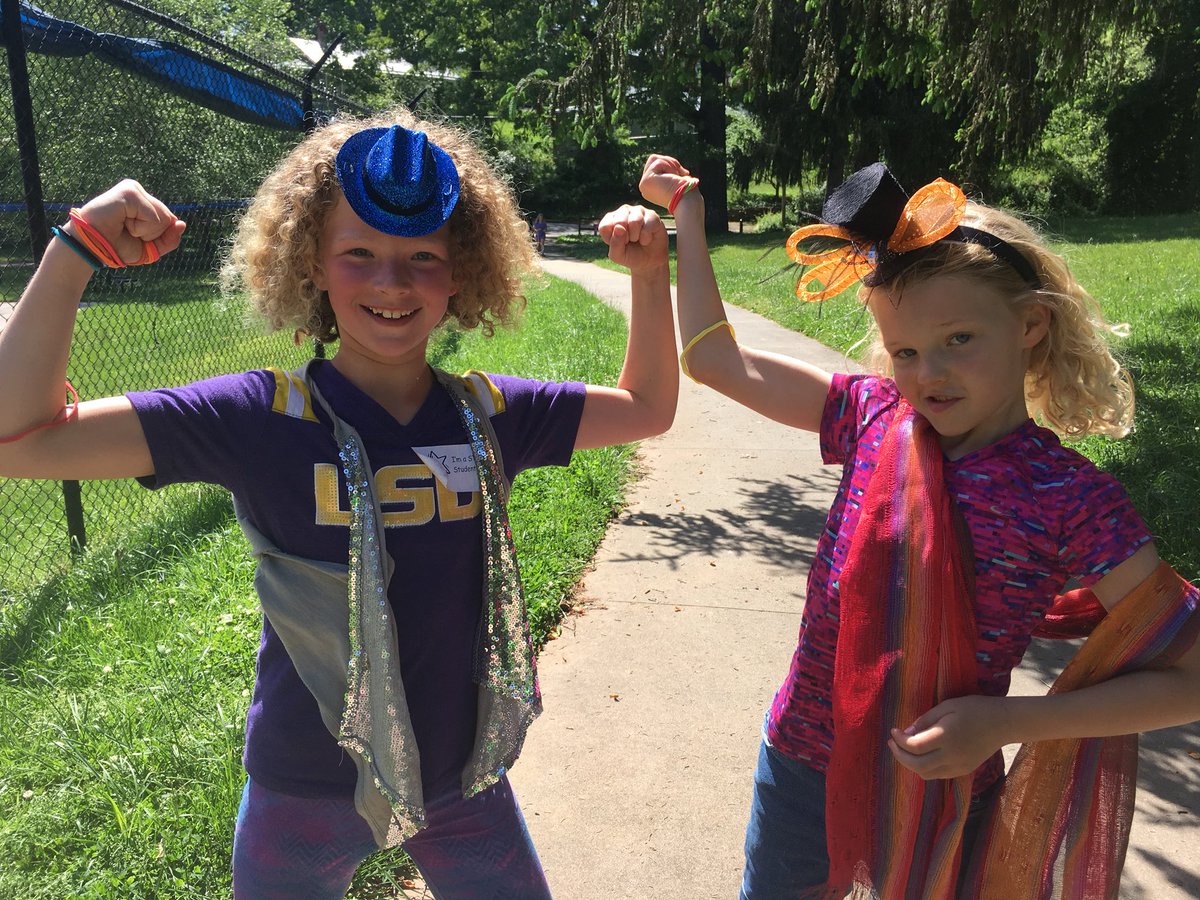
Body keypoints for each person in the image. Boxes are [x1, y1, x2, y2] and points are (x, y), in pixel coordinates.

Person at [0, 108, 677, 899]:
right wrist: (76, 248)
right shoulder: (256, 418)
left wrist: (649, 271)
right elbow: (20, 442)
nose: (391, 282)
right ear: (311, 264)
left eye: (422, 256)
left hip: (461, 780)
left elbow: (646, 407)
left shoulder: (489, 415)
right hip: (300, 793)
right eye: (359, 254)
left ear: (460, 272)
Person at [637, 154, 1200, 899]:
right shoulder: (869, 414)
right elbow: (714, 359)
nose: (928, 373)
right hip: (801, 760)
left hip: (939, 780)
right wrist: (689, 216)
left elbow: (1189, 681)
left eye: (958, 340)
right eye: (904, 351)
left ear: (1030, 324)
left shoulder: (1070, 497)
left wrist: (1008, 724)